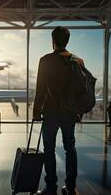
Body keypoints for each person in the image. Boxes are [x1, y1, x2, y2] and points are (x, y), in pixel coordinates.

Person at [33, 26, 85, 195]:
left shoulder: (45, 60)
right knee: (70, 148)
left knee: (49, 149)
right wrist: (79, 111)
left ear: (53, 41)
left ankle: (50, 187)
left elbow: (40, 88)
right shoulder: (78, 61)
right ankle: (70, 188)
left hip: (50, 112)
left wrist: (36, 111)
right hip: (70, 112)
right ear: (67, 41)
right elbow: (82, 90)